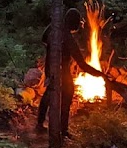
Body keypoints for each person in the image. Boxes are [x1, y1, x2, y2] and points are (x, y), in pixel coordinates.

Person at [35, 8, 106, 137]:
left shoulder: (54, 28)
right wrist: (99, 74)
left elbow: (43, 39)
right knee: (67, 97)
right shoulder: (68, 38)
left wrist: (51, 47)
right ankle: (63, 130)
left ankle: (39, 124)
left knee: (48, 94)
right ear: (73, 22)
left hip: (50, 67)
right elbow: (82, 64)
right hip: (63, 72)